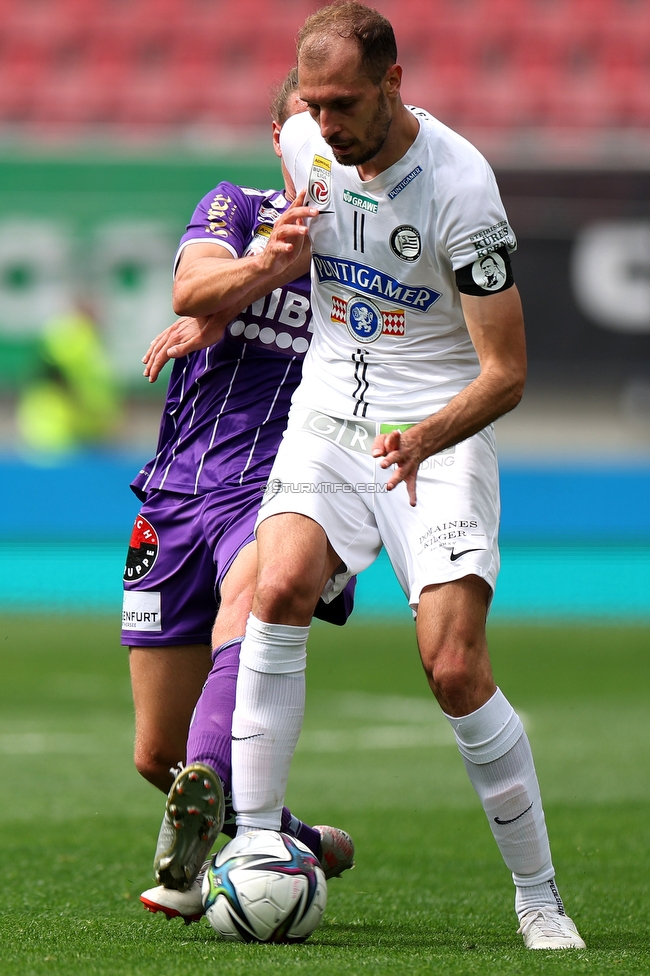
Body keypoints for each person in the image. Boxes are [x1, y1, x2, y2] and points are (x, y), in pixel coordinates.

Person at [225, 2, 585, 951]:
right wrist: (237, 288)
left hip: (438, 424)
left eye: (344, 103)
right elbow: (295, 247)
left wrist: (426, 436)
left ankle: (539, 898)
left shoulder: (463, 187)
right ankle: (256, 847)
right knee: (279, 582)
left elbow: (506, 374)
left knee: (454, 666)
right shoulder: (306, 142)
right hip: (329, 416)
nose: (326, 124)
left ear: (394, 82)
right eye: (313, 104)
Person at [122, 69, 354, 924]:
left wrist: (239, 297)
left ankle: (223, 860)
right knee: (163, 753)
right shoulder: (238, 207)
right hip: (177, 490)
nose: (319, 138)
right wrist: (259, 273)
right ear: (277, 136)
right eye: (304, 121)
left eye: (334, 122)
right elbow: (191, 290)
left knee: (246, 607)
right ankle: (292, 836)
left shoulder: (367, 242)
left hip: (282, 481)